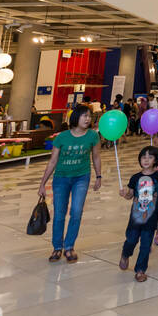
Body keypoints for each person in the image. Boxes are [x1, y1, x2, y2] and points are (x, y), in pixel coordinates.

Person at [37, 104, 102, 263]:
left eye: (89, 116)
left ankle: (69, 247)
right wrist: (42, 184)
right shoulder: (62, 137)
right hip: (61, 179)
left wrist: (99, 176)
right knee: (59, 213)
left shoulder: (93, 136)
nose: (88, 119)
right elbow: (52, 162)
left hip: (81, 177)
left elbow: (96, 157)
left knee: (76, 211)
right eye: (84, 116)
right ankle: (57, 247)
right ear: (76, 118)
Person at [118, 146, 158, 282]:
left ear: (155, 160)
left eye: (150, 157)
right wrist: (124, 194)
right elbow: (130, 195)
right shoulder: (136, 177)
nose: (146, 160)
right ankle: (125, 253)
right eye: (143, 157)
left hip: (151, 219)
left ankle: (140, 270)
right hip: (135, 218)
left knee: (146, 245)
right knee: (131, 240)